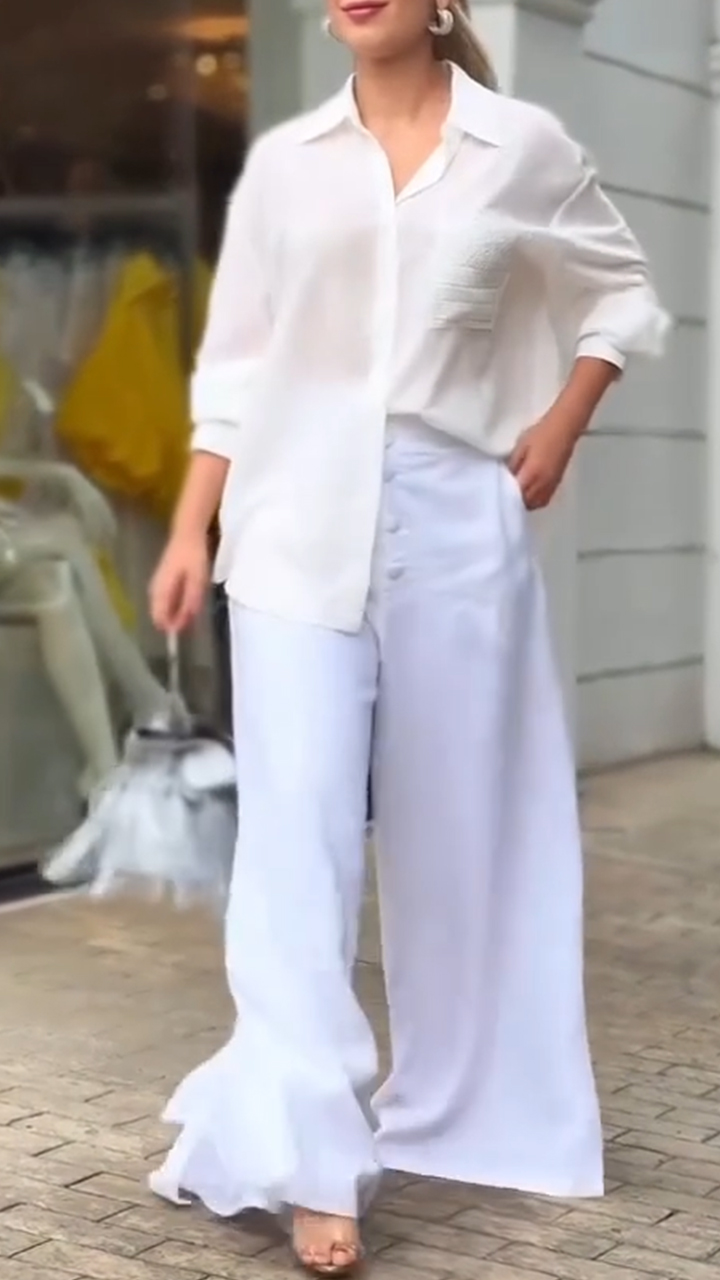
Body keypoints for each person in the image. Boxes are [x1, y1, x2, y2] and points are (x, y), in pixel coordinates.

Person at [149, 1, 668, 1274]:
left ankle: (477, 1104)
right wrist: (189, 529)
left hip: (454, 517)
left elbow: (622, 297)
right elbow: (235, 370)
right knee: (299, 838)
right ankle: (314, 1160)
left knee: (470, 827)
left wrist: (561, 423)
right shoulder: (287, 167)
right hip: (290, 520)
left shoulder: (520, 146)